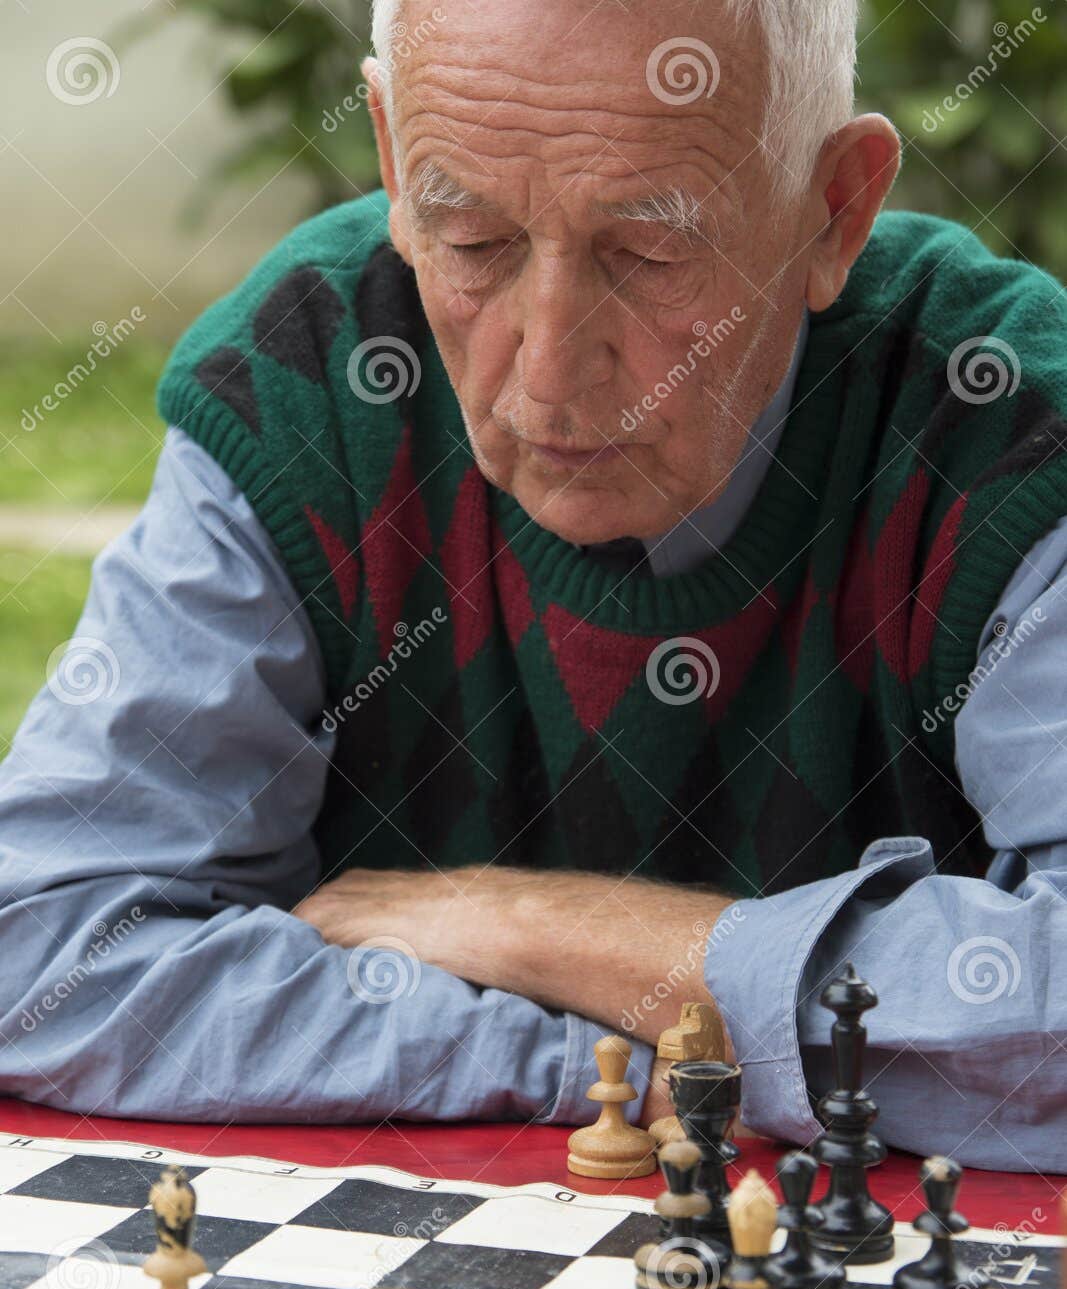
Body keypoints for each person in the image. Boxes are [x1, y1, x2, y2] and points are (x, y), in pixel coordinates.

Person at [1, 0, 1065, 1173]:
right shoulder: (308, 379)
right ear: (395, 160)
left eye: (650, 251)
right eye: (471, 242)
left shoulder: (1007, 427)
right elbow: (44, 946)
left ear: (836, 208)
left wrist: (529, 926)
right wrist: (584, 1062)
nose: (549, 369)